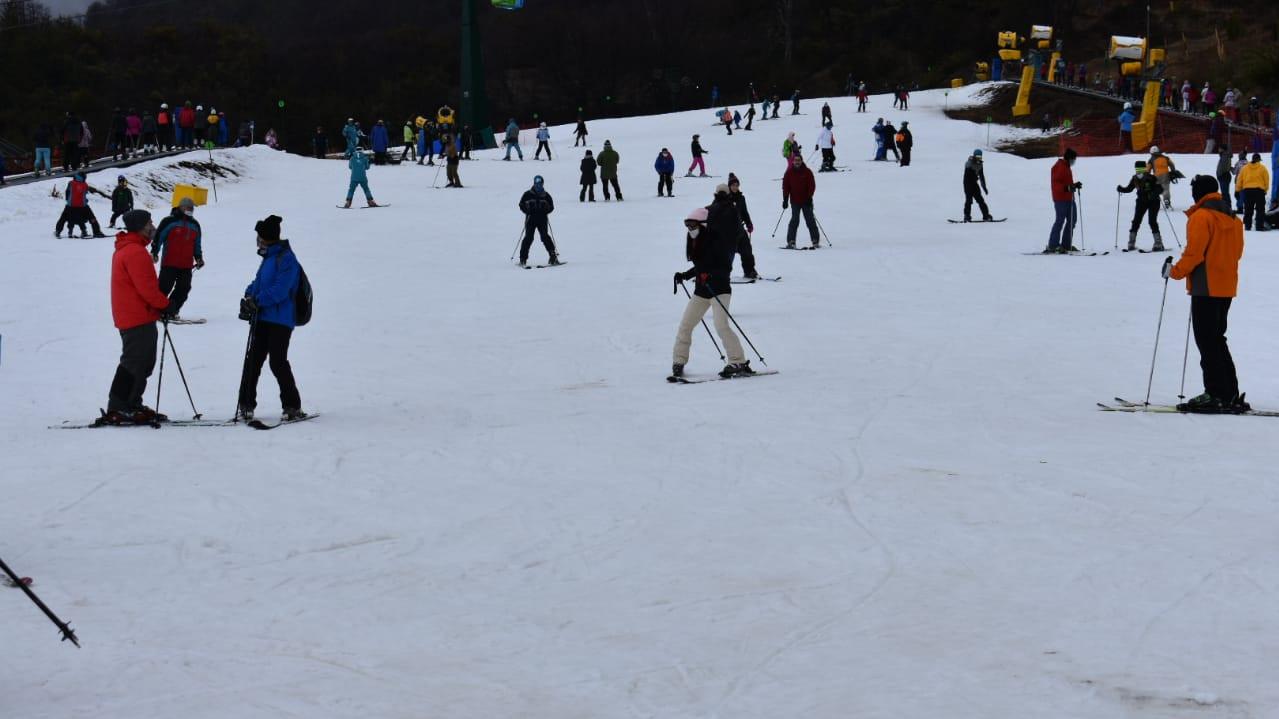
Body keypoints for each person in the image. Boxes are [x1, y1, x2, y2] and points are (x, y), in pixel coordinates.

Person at [1165, 175, 1246, 412]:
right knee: (1217, 339)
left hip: (1206, 286)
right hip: (1226, 285)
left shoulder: (1201, 216)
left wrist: (1174, 272)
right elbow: (1237, 253)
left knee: (1207, 341)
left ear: (1198, 193)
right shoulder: (1233, 218)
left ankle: (1216, 393)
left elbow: (1194, 254)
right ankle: (1229, 392)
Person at [103, 210, 170, 425]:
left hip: (137, 314)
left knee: (143, 363)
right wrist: (165, 305)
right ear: (140, 226)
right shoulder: (135, 252)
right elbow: (147, 288)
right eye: (149, 223)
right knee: (134, 362)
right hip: (136, 316)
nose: (152, 226)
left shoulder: (131, 249)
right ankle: (119, 406)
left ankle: (131, 403)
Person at [238, 215, 306, 422]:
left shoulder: (287, 259)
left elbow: (281, 290)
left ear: (266, 237)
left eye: (259, 236)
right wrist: (248, 295)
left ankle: (292, 406)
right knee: (253, 361)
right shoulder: (269, 257)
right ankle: (246, 404)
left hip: (281, 320)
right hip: (263, 318)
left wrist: (257, 301)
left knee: (277, 362)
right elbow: (258, 282)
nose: (257, 241)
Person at [670, 205, 751, 379]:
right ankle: (678, 361)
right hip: (701, 291)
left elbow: (725, 266)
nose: (690, 229)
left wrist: (711, 275)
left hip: (719, 290)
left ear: (704, 224)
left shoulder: (718, 241)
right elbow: (701, 266)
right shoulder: (696, 241)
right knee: (685, 326)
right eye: (687, 225)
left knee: (721, 325)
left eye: (693, 225)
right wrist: (685, 275)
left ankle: (738, 361)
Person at [150, 197, 204, 319]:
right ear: (181, 207)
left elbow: (197, 244)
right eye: (188, 208)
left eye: (192, 208)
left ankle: (171, 311)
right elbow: (159, 237)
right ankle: (155, 311)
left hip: (186, 265)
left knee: (184, 289)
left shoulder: (195, 225)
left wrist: (199, 258)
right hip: (169, 262)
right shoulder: (169, 221)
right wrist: (154, 252)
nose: (190, 210)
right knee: (164, 288)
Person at [1116, 160, 1165, 251]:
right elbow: (1129, 189)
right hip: (1141, 202)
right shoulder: (1135, 178)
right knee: (1137, 221)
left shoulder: (1151, 178)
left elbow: (1160, 189)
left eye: (1140, 169)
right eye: (1137, 169)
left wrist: (1153, 193)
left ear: (1144, 169)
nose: (1138, 171)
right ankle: (1132, 243)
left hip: (1153, 202)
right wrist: (1121, 189)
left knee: (1151, 221)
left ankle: (1157, 243)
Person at [1045, 148, 1082, 253]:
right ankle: (1053, 245)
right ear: (1069, 158)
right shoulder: (1059, 167)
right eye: (1073, 159)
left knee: (1072, 220)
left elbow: (1066, 183)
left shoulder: (1066, 167)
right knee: (1060, 221)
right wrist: (1067, 188)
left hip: (1069, 198)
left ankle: (1066, 245)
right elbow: (1056, 184)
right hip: (1060, 199)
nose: (1074, 161)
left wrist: (1074, 185)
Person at [518, 176, 560, 267]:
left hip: (542, 219)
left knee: (545, 237)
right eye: (536, 184)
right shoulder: (527, 194)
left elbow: (551, 207)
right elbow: (521, 204)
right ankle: (523, 258)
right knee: (528, 238)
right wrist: (527, 210)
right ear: (534, 184)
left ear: (542, 184)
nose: (538, 186)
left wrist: (546, 210)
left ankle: (553, 256)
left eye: (540, 184)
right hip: (530, 219)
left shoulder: (546, 195)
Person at [782, 154, 820, 249]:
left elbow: (812, 185)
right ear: (793, 161)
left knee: (810, 220)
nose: (797, 162)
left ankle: (815, 240)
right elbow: (785, 186)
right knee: (794, 220)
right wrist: (785, 199)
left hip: (806, 201)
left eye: (799, 160)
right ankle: (791, 241)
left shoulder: (807, 172)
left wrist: (809, 197)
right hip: (795, 201)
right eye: (795, 160)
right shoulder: (789, 172)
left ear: (802, 161)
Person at [55, 171, 107, 238]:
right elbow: (84, 194)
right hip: (82, 206)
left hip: (70, 206)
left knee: (63, 218)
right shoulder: (85, 185)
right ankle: (96, 232)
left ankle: (58, 231)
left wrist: (68, 200)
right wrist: (85, 201)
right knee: (92, 218)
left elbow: (67, 193)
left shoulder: (70, 183)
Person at [727, 173, 759, 279]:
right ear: (729, 186)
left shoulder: (741, 198)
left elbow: (744, 212)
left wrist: (749, 223)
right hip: (727, 231)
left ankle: (750, 271)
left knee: (747, 250)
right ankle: (718, 273)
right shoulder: (724, 198)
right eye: (733, 185)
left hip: (739, 230)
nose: (735, 187)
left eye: (737, 185)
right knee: (726, 254)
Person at [1237, 153, 1270, 231]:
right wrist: (1265, 190)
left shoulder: (1245, 168)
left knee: (1248, 209)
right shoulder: (1262, 168)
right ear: (1259, 160)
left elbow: (1240, 179)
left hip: (1247, 191)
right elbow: (1266, 180)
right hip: (1259, 191)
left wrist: (1238, 189)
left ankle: (1247, 226)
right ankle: (1259, 226)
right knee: (1260, 209)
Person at [962, 149, 993, 222]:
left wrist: (984, 187)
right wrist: (974, 177)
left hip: (974, 184)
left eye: (980, 156)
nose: (979, 158)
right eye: (977, 156)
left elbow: (982, 176)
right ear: (974, 156)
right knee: (969, 200)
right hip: (967, 184)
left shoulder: (980, 164)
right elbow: (967, 175)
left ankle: (986, 215)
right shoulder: (969, 163)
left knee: (980, 200)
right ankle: (967, 216)